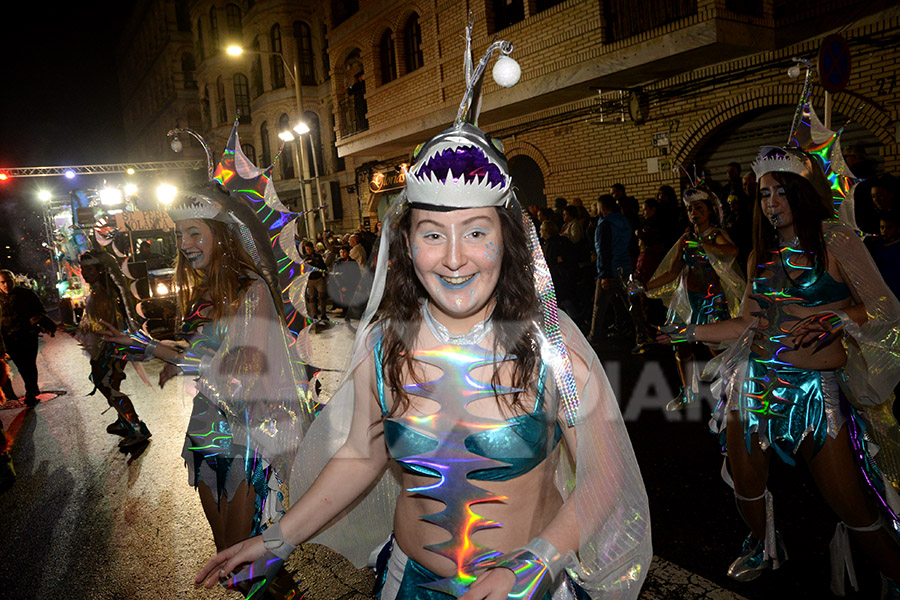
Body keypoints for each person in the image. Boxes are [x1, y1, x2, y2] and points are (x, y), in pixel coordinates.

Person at [197, 26, 650, 600]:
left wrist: (533, 566)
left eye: (476, 232)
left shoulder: (551, 349)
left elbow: (605, 477)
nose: (456, 259)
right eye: (434, 234)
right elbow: (362, 456)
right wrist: (276, 539)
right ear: (407, 246)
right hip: (406, 586)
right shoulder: (386, 347)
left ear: (507, 241)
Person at [658, 146, 900, 595]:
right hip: (755, 384)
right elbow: (748, 322)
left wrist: (837, 318)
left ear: (803, 194)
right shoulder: (761, 256)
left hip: (815, 395)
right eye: (765, 194)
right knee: (747, 483)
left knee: (852, 506)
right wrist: (687, 332)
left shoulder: (836, 239)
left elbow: (884, 304)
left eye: (781, 192)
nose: (771, 203)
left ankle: (896, 572)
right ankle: (764, 544)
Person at [101, 127, 314, 594]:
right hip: (205, 428)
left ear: (219, 234)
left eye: (193, 233)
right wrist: (136, 342)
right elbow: (201, 359)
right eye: (180, 235)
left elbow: (245, 372)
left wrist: (189, 361)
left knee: (241, 564)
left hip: (246, 432)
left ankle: (286, 590)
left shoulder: (252, 291)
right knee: (232, 564)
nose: (185, 244)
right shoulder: (203, 297)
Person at [646, 187, 744, 410]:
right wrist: (644, 286)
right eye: (690, 209)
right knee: (680, 346)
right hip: (687, 300)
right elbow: (672, 272)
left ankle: (731, 393)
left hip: (711, 300)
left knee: (718, 348)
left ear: (709, 211)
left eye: (699, 208)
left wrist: (705, 245)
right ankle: (689, 393)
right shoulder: (686, 238)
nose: (694, 213)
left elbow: (732, 251)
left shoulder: (716, 234)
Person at [77, 251, 151, 448]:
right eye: (83, 269)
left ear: (100, 270)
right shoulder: (97, 290)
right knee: (110, 386)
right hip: (107, 347)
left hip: (109, 348)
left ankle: (136, 427)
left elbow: (106, 326)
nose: (85, 273)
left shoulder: (102, 293)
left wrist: (95, 341)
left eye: (90, 269)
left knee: (107, 386)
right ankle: (123, 420)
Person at [0, 270, 56, 407]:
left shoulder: (26, 294)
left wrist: (36, 323)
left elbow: (40, 310)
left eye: (9, 281)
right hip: (9, 339)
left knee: (29, 365)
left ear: (14, 281)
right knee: (21, 366)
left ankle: (31, 392)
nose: (6, 284)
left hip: (27, 336)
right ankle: (30, 390)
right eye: (2, 282)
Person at [588, 195, 633, 343]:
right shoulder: (624, 221)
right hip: (625, 268)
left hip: (610, 270)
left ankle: (594, 336)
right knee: (630, 304)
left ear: (603, 208)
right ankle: (639, 333)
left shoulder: (605, 225)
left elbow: (604, 251)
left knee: (599, 306)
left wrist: (604, 274)